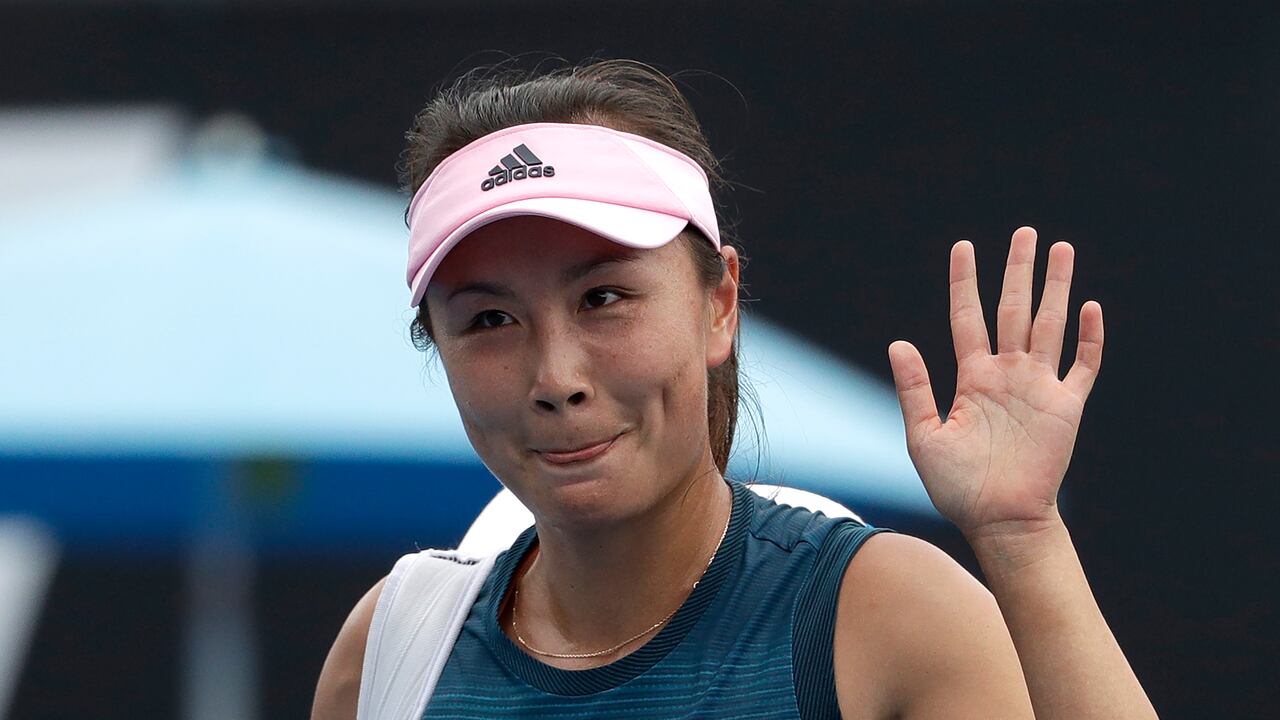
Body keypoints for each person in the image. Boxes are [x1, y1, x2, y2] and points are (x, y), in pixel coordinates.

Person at [313, 59, 1158, 719]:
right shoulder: (389, 655)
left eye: (603, 298)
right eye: (490, 320)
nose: (556, 379)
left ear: (719, 304)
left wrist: (1022, 538)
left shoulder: (879, 618)